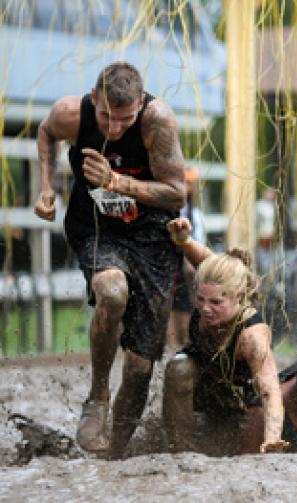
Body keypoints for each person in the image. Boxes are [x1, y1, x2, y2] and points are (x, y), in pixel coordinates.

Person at [32, 62, 187, 456]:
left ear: (139, 106)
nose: (114, 128)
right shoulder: (71, 112)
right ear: (93, 99)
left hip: (152, 237)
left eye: (125, 119)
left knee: (139, 367)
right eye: (105, 116)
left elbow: (175, 194)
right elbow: (46, 134)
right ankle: (97, 395)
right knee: (113, 293)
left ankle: (113, 454)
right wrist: (46, 187)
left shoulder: (158, 122)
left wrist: (117, 182)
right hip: (99, 230)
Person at [162, 217, 287, 455]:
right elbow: (202, 257)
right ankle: (180, 452)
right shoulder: (213, 274)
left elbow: (270, 389)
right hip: (205, 372)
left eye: (216, 302)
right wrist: (183, 239)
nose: (206, 309)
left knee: (241, 434)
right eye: (200, 300)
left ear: (238, 297)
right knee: (177, 370)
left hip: (240, 392)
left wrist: (272, 439)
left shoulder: (252, 337)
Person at [167, 167, 205, 351]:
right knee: (166, 308)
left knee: (184, 307)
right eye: (187, 183)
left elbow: (199, 240)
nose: (190, 188)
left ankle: (182, 348)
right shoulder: (170, 208)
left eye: (192, 184)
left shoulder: (195, 214)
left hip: (185, 267)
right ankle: (170, 348)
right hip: (168, 264)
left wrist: (192, 261)